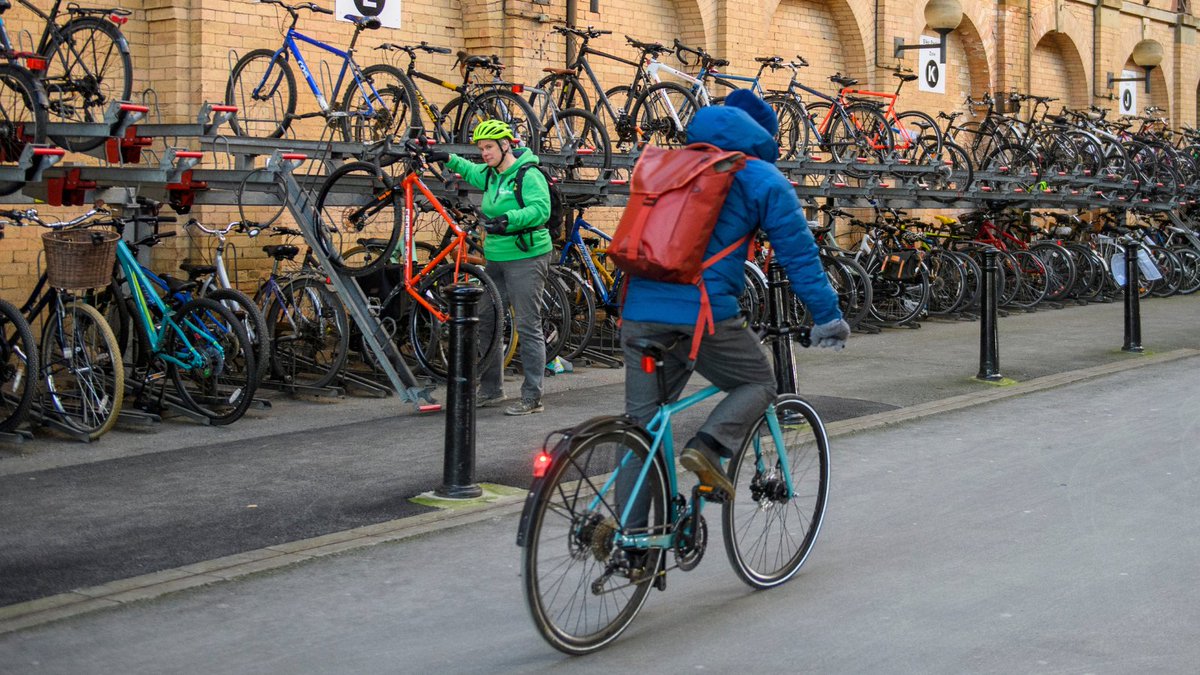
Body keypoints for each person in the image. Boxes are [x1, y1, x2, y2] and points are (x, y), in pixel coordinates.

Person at [620, 89, 850, 498]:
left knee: (642, 427)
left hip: (637, 309)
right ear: (761, 135)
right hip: (701, 313)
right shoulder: (761, 177)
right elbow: (800, 256)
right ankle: (708, 448)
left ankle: (633, 544)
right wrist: (827, 317)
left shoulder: (669, 166)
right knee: (759, 383)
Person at [428, 120, 553, 416]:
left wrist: (509, 219)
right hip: (496, 257)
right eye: (481, 148)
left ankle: (532, 397)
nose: (484, 153)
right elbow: (471, 171)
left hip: (527, 256)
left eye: (489, 147)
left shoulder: (527, 173)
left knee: (527, 324)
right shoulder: (491, 174)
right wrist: (447, 157)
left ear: (505, 145)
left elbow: (540, 209)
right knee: (487, 320)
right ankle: (492, 389)